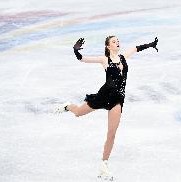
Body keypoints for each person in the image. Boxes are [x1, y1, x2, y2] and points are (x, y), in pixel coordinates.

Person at [54, 35, 158, 180]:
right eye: (114, 42)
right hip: (104, 95)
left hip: (117, 99)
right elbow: (83, 59)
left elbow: (136, 48)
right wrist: (76, 50)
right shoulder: (105, 60)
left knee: (111, 132)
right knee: (78, 112)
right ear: (108, 46)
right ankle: (67, 106)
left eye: (118, 41)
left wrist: (151, 44)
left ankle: (104, 165)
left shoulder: (123, 57)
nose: (117, 43)